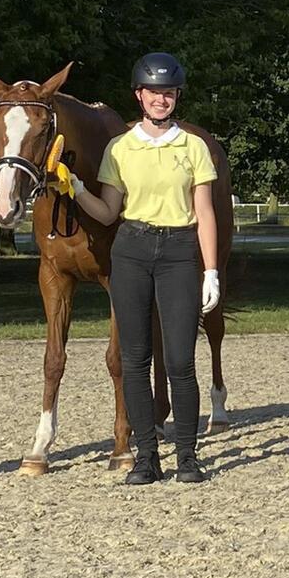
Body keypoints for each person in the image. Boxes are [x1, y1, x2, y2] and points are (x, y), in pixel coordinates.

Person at [69, 53, 222, 484]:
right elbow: (107, 212)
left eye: (168, 93)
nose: (161, 99)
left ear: (177, 97)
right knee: (135, 359)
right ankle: (147, 457)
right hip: (132, 248)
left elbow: (205, 212)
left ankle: (188, 456)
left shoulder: (193, 146)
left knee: (180, 360)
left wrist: (210, 270)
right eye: (154, 92)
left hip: (178, 250)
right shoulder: (120, 147)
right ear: (139, 95)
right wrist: (77, 188)